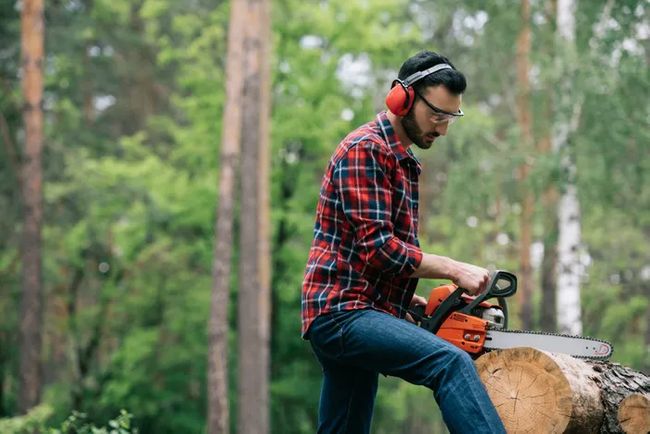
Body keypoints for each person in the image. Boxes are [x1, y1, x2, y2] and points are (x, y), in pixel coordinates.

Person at [300, 51, 506, 434]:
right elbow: (379, 248)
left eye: (451, 118)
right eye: (438, 116)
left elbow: (371, 259)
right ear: (403, 99)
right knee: (449, 364)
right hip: (342, 312)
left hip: (359, 308)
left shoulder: (403, 160)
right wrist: (453, 268)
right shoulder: (366, 149)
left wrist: (410, 301)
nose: (443, 129)